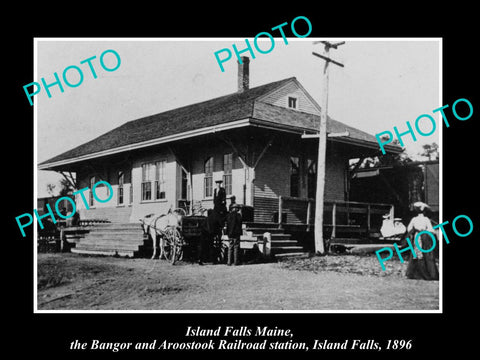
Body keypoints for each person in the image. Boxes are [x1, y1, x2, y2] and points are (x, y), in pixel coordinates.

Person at [405, 201, 439, 280]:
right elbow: (431, 229)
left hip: (417, 236)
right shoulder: (426, 219)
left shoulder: (414, 219)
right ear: (424, 211)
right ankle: (427, 273)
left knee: (416, 253)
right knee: (426, 254)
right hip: (424, 236)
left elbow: (409, 228)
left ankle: (414, 273)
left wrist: (414, 231)